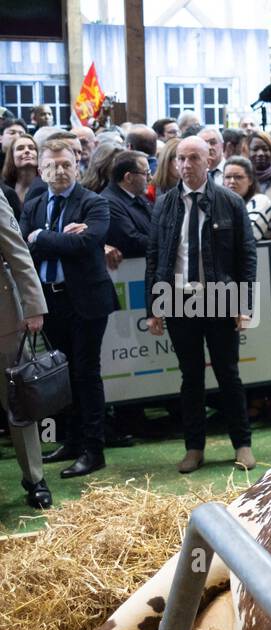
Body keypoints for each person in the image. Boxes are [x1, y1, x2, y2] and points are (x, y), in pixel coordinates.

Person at [144, 136, 258, 473]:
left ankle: (243, 444)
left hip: (221, 298)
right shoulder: (164, 204)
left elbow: (246, 256)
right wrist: (153, 307)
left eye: (193, 158)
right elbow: (155, 258)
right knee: (190, 377)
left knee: (229, 375)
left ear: (210, 160)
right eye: (181, 158)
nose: (186, 165)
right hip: (178, 300)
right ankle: (194, 448)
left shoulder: (230, 201)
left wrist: (244, 304)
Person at [20, 139, 117, 478]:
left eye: (66, 163)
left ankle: (94, 449)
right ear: (41, 169)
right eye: (52, 165)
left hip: (87, 302)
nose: (59, 170)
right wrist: (59, 238)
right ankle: (73, 441)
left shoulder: (94, 202)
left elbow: (86, 243)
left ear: (78, 164)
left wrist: (42, 237)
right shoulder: (33, 204)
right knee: (62, 378)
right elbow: (23, 250)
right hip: (49, 301)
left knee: (85, 374)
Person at [0, 192, 52, 508]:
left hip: (4, 320)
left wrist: (33, 306)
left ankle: (35, 478)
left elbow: (18, 251)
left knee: (17, 403)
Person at [102, 150, 152, 267]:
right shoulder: (109, 203)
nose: (150, 178)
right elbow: (131, 240)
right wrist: (166, 242)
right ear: (128, 177)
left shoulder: (138, 196)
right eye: (146, 173)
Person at [221, 156, 271, 240]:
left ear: (250, 180)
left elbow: (248, 235)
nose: (232, 181)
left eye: (238, 177)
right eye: (227, 177)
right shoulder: (220, 204)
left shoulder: (261, 201)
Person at [2, 134, 41, 210]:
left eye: (32, 148)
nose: (27, 151)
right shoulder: (4, 188)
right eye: (20, 148)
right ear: (11, 156)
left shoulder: (48, 186)